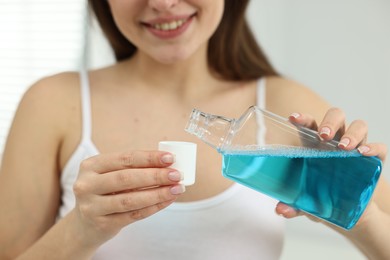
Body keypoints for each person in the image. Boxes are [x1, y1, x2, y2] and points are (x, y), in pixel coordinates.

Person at [0, 0, 389, 259]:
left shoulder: (289, 106)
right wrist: (82, 231)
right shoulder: (53, 103)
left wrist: (356, 212)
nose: (163, 2)